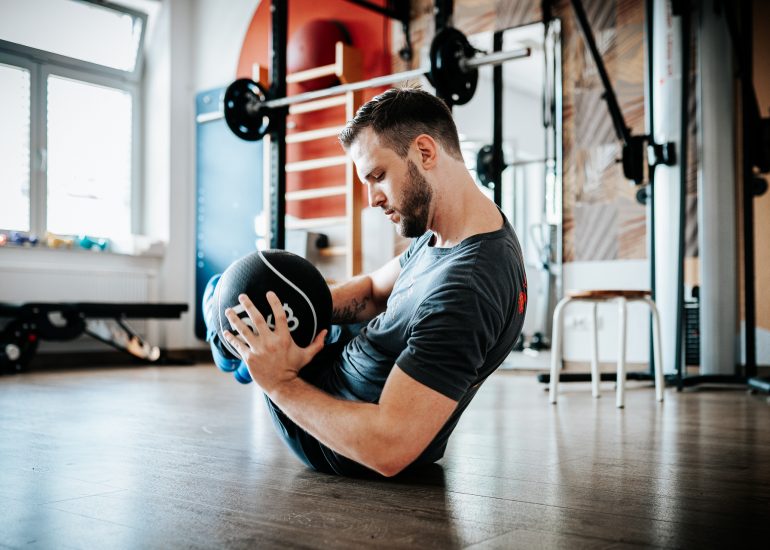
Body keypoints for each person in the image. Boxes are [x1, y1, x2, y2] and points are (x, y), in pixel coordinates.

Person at [205, 86, 527, 477]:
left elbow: (389, 447)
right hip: (338, 363)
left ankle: (231, 350)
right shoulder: (446, 231)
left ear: (425, 152)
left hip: (331, 435)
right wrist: (306, 305)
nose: (372, 198)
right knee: (247, 288)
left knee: (229, 290)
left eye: (378, 176)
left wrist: (278, 381)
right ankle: (236, 348)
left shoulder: (468, 289)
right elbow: (375, 290)